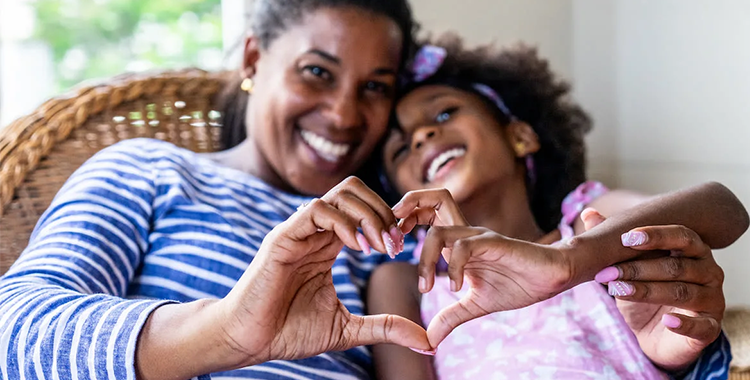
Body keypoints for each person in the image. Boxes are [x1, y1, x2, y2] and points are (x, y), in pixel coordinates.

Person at [0, 1, 434, 379]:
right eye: (317, 72)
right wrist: (225, 331)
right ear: (252, 58)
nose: (343, 115)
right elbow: (12, 331)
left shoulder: (384, 242)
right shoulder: (151, 169)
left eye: (375, 87)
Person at [369, 37, 749, 380]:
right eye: (401, 149)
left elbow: (725, 210)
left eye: (444, 114)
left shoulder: (589, 222)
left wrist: (566, 262)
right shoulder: (408, 283)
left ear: (521, 136)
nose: (421, 136)